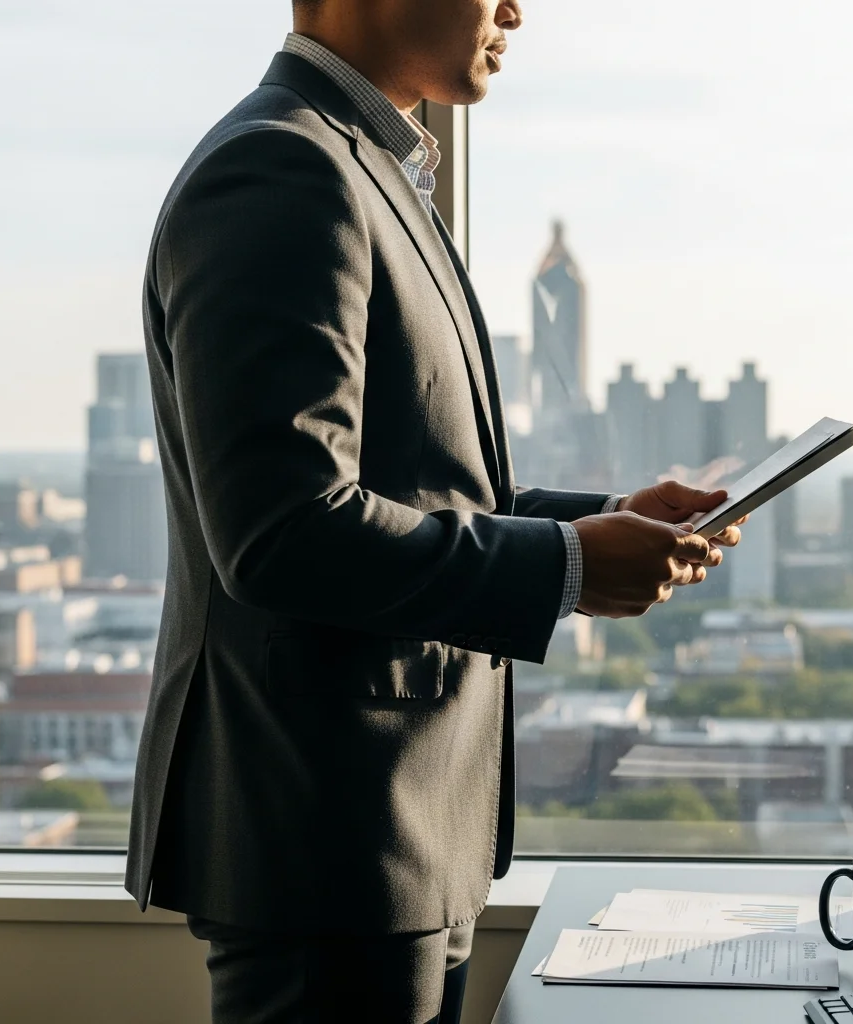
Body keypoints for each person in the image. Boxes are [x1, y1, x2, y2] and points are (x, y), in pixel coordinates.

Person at [125, 1, 743, 1021]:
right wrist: (570, 566)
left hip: (398, 834)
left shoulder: (366, 168)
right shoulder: (280, 169)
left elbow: (422, 490)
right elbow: (284, 531)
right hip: (334, 839)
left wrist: (603, 520)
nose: (514, 9)